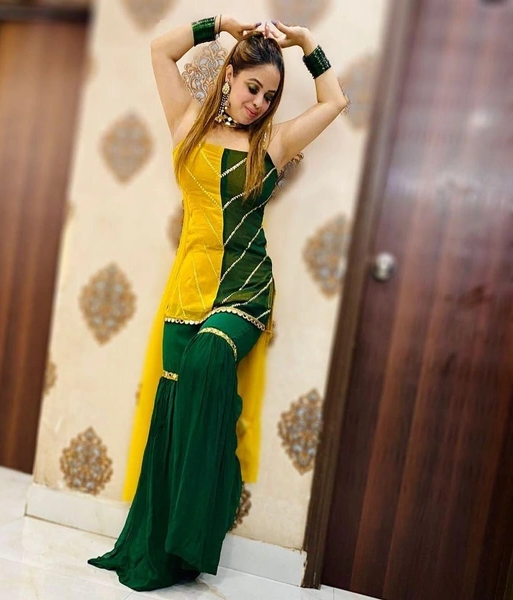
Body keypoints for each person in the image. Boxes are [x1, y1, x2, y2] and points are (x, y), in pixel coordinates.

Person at [88, 15, 347, 592]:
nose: (259, 103)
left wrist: (307, 43)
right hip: (187, 291)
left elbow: (334, 102)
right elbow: (161, 50)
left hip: (245, 290)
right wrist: (221, 24)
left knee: (208, 360)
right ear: (229, 76)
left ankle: (195, 536)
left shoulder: (273, 144)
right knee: (173, 415)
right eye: (253, 87)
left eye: (270, 96)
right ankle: (165, 551)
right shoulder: (186, 122)